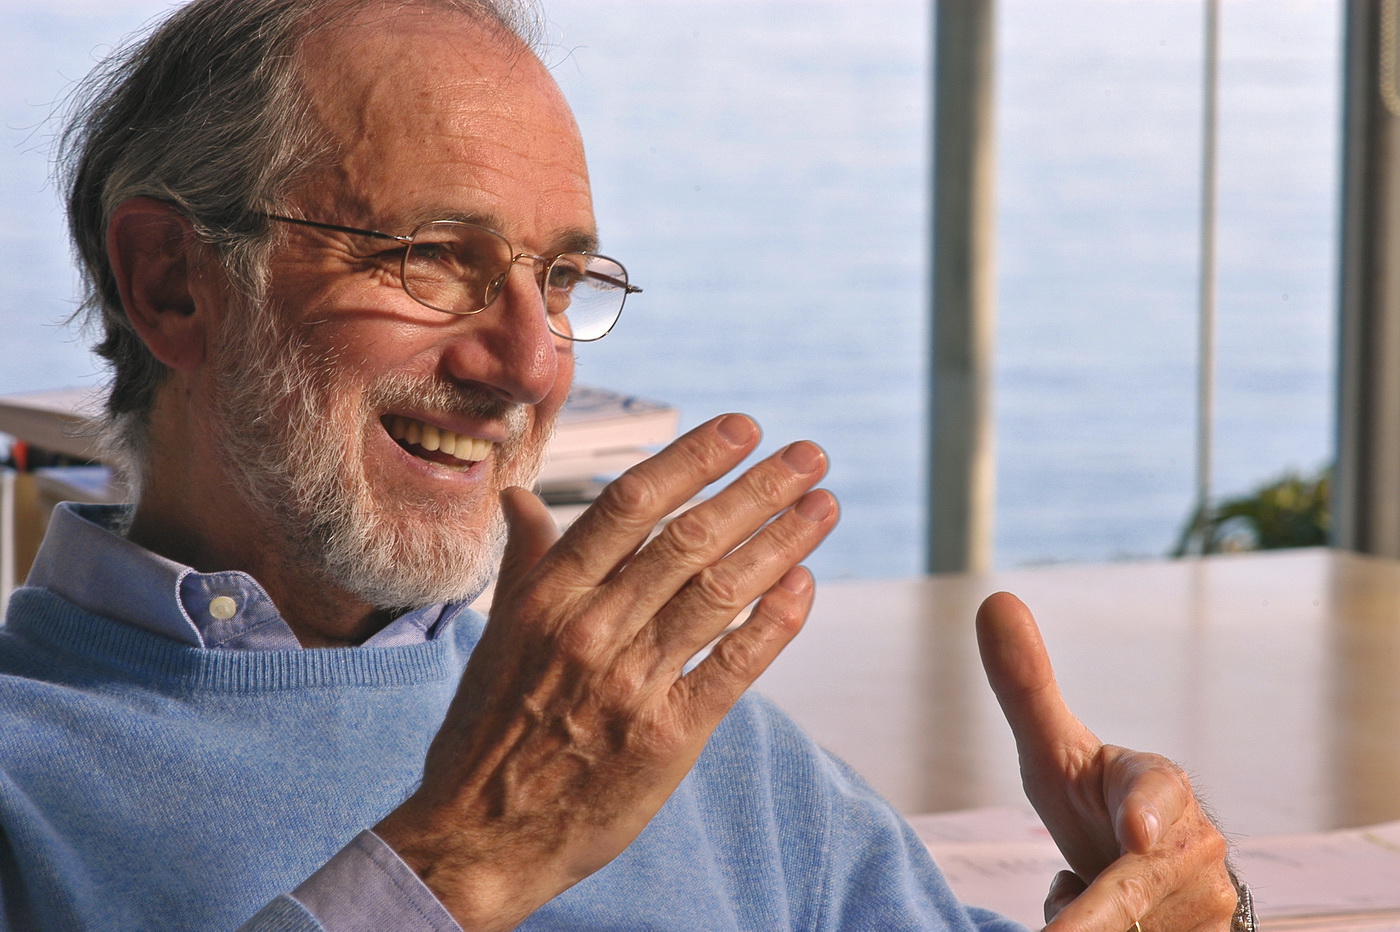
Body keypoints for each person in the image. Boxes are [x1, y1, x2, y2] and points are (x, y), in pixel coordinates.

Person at [0, 0, 1250, 929]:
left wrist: (1182, 908)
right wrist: (466, 857)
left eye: (559, 280)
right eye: (432, 256)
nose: (530, 362)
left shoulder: (651, 726)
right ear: (172, 283)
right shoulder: (30, 769)